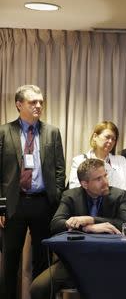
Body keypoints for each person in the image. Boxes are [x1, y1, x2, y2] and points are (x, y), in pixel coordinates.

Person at [30, 158, 126, 299]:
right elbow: (56, 224)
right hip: (74, 260)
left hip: (110, 260)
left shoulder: (119, 195)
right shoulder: (70, 196)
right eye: (98, 179)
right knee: (38, 288)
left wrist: (90, 219)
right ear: (85, 184)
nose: (105, 181)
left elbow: (122, 223)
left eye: (105, 175)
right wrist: (89, 229)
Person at [0, 85, 65, 299]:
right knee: (10, 259)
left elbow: (59, 168)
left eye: (40, 102)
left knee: (42, 258)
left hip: (42, 203)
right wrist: (1, 206)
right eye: (33, 102)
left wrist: (54, 199)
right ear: (19, 105)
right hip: (14, 204)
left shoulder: (52, 132)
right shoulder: (4, 132)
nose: (38, 106)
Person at [68, 121, 126, 205]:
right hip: (90, 211)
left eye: (113, 139)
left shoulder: (121, 160)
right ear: (95, 137)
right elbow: (75, 190)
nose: (110, 141)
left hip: (118, 210)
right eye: (107, 137)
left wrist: (118, 204)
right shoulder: (79, 161)